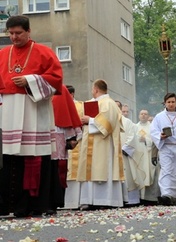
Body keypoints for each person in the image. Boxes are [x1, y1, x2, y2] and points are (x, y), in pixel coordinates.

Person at [0, 15, 63, 217]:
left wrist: (30, 80)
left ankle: (39, 204)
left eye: (18, 33)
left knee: (36, 156)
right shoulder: (2, 54)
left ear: (28, 31)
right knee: (9, 158)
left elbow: (56, 80)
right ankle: (9, 205)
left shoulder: (45, 52)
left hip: (34, 110)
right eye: (10, 33)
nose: (14, 37)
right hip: (9, 110)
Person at [68, 79, 125, 210]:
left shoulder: (108, 103)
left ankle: (104, 200)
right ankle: (90, 200)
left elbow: (109, 123)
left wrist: (91, 120)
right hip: (91, 142)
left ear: (96, 89)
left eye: (92, 89)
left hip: (103, 144)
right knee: (91, 170)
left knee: (102, 169)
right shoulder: (93, 103)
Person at [49, 85, 83, 215]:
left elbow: (67, 114)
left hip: (58, 133)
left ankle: (55, 202)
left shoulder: (61, 89)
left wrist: (72, 137)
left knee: (57, 169)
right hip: (45, 132)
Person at [117, 102, 143, 207]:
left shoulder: (127, 122)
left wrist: (124, 148)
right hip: (112, 155)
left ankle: (130, 199)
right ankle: (117, 199)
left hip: (124, 154)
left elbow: (132, 137)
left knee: (128, 176)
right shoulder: (109, 121)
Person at [136, 109, 160, 204]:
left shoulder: (152, 127)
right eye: (141, 114)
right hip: (138, 156)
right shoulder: (135, 127)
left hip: (149, 155)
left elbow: (155, 140)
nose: (143, 116)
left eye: (145, 114)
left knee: (150, 175)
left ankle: (150, 198)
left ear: (148, 115)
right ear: (139, 115)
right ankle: (139, 197)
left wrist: (146, 139)